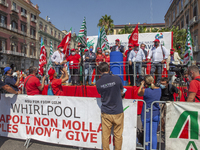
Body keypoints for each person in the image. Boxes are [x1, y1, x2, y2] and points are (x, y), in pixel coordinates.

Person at [96, 62, 124, 150]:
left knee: (105, 135)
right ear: (108, 69)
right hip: (118, 111)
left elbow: (101, 93)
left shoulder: (98, 82)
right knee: (118, 135)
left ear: (99, 71)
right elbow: (121, 91)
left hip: (106, 111)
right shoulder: (116, 78)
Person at [138, 75, 161, 150]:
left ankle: (147, 148)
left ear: (145, 83)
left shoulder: (145, 90)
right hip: (156, 113)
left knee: (147, 134)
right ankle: (154, 148)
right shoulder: (159, 90)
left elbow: (138, 93)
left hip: (147, 113)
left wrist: (141, 85)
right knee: (153, 133)